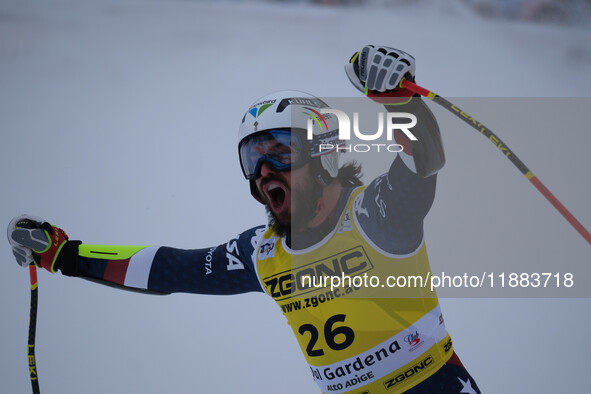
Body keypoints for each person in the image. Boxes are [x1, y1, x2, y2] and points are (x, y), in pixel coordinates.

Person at [8, 45, 481, 394]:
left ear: (325, 156)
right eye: (252, 159)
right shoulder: (263, 253)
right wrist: (64, 255)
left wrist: (400, 101)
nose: (263, 173)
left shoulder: (374, 212)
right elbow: (169, 268)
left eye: (280, 151)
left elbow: (423, 159)